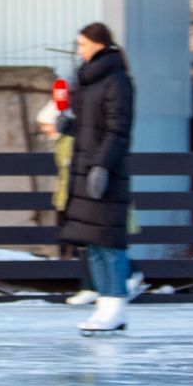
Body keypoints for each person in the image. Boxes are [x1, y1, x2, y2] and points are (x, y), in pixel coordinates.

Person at [59, 24, 136, 335]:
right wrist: (69, 126)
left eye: (83, 44)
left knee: (109, 241)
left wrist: (102, 166)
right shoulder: (89, 81)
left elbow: (118, 130)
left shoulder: (117, 82)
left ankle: (115, 304)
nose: (79, 49)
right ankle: (104, 304)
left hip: (105, 173)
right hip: (84, 170)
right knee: (92, 241)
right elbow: (89, 127)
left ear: (99, 44)